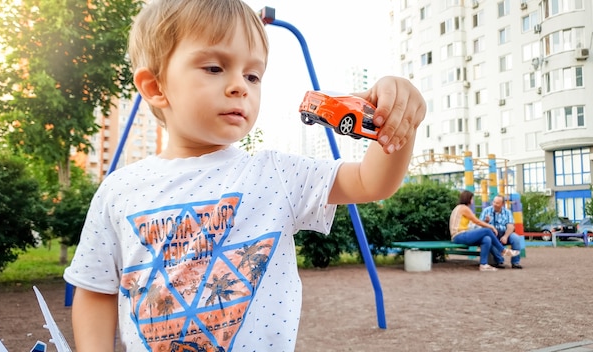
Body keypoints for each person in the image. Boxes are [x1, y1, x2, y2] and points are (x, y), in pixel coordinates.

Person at [63, 0, 427, 351]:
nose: (240, 85)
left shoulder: (275, 174)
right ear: (156, 87)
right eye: (214, 68)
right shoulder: (119, 190)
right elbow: (96, 290)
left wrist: (397, 124)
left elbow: (371, 182)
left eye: (253, 75)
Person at [449, 190, 520, 272]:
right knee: (487, 231)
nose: (473, 201)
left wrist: (504, 235)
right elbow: (478, 222)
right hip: (459, 235)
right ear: (468, 199)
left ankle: (483, 264)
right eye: (472, 199)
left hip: (463, 234)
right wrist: (491, 226)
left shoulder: (461, 208)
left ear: (502, 204)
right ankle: (503, 250)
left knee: (486, 239)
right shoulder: (464, 208)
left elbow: (474, 225)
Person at [481, 195, 524, 269]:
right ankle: (500, 261)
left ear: (502, 204)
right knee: (488, 240)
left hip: (504, 232)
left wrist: (506, 236)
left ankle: (515, 262)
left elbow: (510, 226)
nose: (494, 204)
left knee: (516, 238)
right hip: (491, 233)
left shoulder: (507, 212)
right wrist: (486, 221)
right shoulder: (486, 211)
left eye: (497, 203)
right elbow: (480, 225)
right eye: (494, 202)